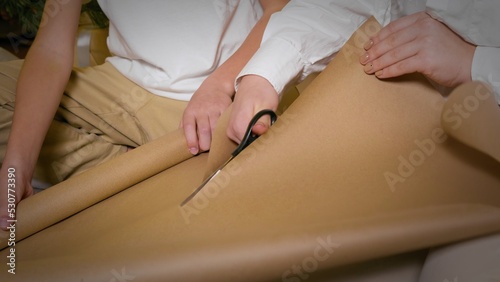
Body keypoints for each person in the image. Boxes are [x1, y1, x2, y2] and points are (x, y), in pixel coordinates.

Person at [0, 0, 289, 230]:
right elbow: (51, 51)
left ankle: (143, 173)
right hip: (126, 82)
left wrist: (220, 84)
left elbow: (281, 8)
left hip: (231, 81)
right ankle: (135, 169)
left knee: (259, 201)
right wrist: (16, 166)